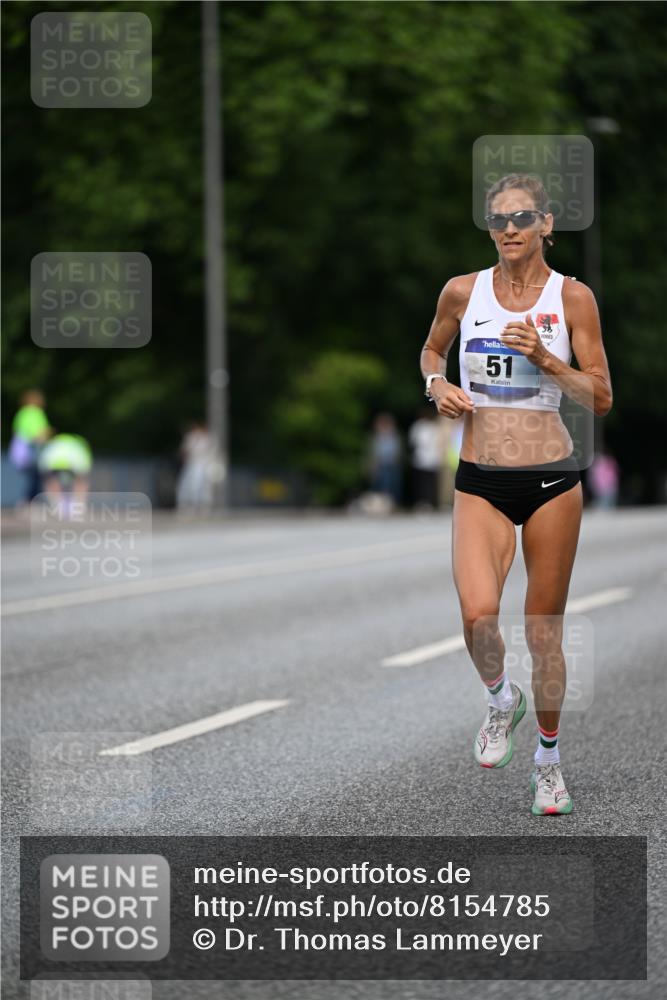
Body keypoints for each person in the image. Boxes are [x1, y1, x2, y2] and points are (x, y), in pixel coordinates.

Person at [420, 173, 612, 815]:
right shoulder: (461, 291)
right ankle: (502, 699)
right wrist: (435, 386)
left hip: (552, 479)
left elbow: (602, 397)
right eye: (498, 218)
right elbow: (429, 351)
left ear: (547, 225)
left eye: (523, 217)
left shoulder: (572, 298)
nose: (508, 228)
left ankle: (549, 763)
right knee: (477, 617)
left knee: (543, 632)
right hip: (480, 478)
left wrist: (550, 361)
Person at [10, 390, 52, 501]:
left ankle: (28, 500)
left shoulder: (21, 413)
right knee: (36, 477)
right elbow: (39, 433)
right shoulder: (37, 413)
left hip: (21, 450)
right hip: (33, 449)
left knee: (30, 477)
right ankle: (30, 500)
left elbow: (16, 431)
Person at [38, 433, 93, 517]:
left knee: (52, 480)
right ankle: (79, 504)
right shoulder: (80, 445)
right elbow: (84, 470)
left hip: (53, 456)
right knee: (80, 481)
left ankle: (55, 503)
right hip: (74, 457)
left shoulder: (53, 443)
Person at [176, 422, 220, 513]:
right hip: (192, 464)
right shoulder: (191, 437)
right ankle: (189, 505)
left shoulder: (208, 438)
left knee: (204, 487)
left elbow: (213, 452)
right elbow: (184, 450)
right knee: (189, 485)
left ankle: (203, 506)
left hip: (205, 465)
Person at [408, 407, 443, 510]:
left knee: (429, 483)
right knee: (422, 483)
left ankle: (429, 502)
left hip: (430, 459)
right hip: (422, 459)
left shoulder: (433, 427)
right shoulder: (419, 426)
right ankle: (423, 502)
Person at [368, 413, 402, 507]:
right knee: (381, 484)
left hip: (391, 464)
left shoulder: (393, 436)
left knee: (392, 485)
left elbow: (396, 451)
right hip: (381, 464)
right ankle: (381, 504)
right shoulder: (377, 437)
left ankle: (391, 504)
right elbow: (374, 453)